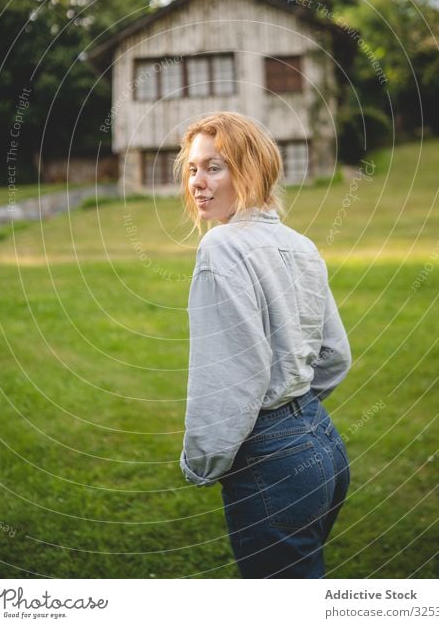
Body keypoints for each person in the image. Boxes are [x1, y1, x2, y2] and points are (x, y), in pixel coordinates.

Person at [174, 111, 352, 579]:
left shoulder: (221, 248)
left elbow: (234, 373)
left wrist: (202, 462)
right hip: (324, 446)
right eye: (193, 169)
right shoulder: (301, 245)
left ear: (251, 170)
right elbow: (335, 355)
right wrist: (298, 410)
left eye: (215, 167)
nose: (197, 182)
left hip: (273, 460)